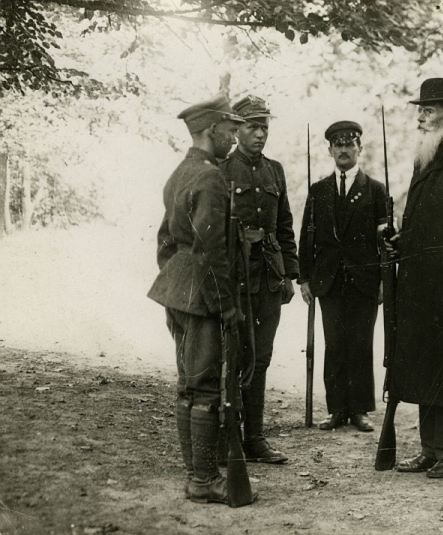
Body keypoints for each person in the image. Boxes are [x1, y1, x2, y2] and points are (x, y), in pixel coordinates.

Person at [147, 94, 251, 504]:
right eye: (229, 130)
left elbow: (165, 242)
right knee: (206, 387)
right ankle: (204, 480)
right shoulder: (210, 178)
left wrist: (176, 280)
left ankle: (197, 474)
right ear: (212, 130)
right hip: (204, 296)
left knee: (188, 385)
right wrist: (225, 305)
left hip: (180, 291)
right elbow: (212, 250)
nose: (234, 137)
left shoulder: (181, 172)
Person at [387, 78, 443, 479]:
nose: (421, 117)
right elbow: (425, 218)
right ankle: (431, 448)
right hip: (417, 279)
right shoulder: (423, 156)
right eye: (419, 110)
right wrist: (401, 240)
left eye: (429, 110)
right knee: (424, 361)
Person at [219, 95, 299, 464]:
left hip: (268, 276)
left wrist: (290, 275)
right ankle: (227, 435)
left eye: (265, 126)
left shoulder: (275, 171)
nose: (260, 133)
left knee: (262, 357)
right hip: (236, 277)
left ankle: (255, 437)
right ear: (236, 129)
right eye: (253, 126)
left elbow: (284, 225)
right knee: (233, 356)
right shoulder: (222, 169)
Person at [298, 121, 387, 432]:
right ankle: (337, 410)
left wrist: (384, 281)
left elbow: (384, 241)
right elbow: (306, 238)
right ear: (330, 151)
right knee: (334, 344)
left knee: (361, 344)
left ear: (359, 149)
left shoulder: (375, 190)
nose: (344, 149)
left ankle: (360, 410)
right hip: (330, 280)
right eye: (338, 145)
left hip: (365, 281)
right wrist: (304, 277)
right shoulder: (318, 191)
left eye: (350, 144)